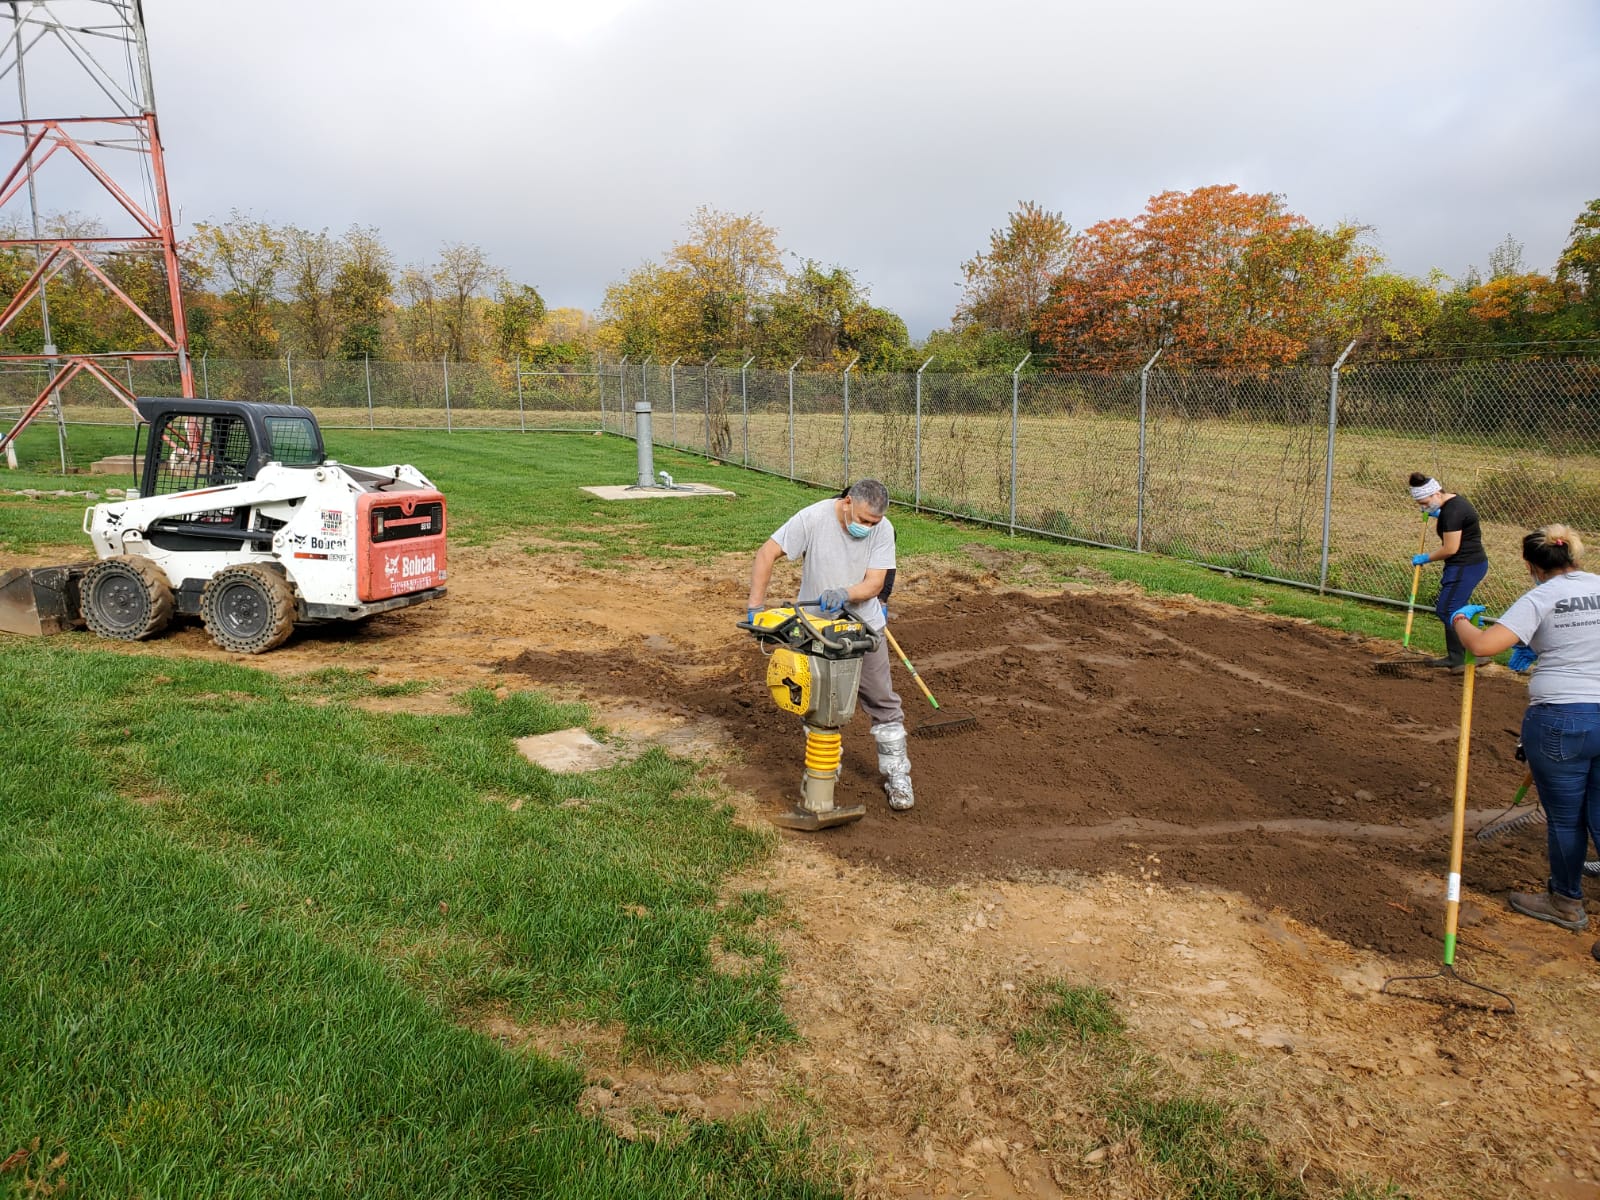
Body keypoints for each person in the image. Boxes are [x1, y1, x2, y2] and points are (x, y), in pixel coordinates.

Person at [1451, 525, 1600, 960]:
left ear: (1533, 566)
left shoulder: (1539, 598)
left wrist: (1460, 618)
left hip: (1560, 719)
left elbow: (1483, 647)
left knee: (1567, 820)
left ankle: (1566, 901)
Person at [746, 479, 913, 811]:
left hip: (862, 628)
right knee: (815, 701)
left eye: (874, 523)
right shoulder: (813, 518)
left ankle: (898, 775)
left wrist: (846, 594)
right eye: (864, 520)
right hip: (815, 629)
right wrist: (755, 608)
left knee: (882, 701)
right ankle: (824, 770)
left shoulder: (882, 528)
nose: (868, 527)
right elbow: (767, 553)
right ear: (848, 502)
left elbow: (875, 582)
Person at [1407, 472, 1489, 672]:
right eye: (1420, 504)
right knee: (1454, 608)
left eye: (1424, 503)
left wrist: (1426, 558)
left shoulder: (1453, 512)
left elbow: (1450, 548)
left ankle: (1476, 651)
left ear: (1436, 493)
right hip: (1463, 565)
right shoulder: (1450, 506)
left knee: (1447, 610)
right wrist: (1438, 515)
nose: (1423, 507)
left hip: (1465, 566)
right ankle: (1456, 657)